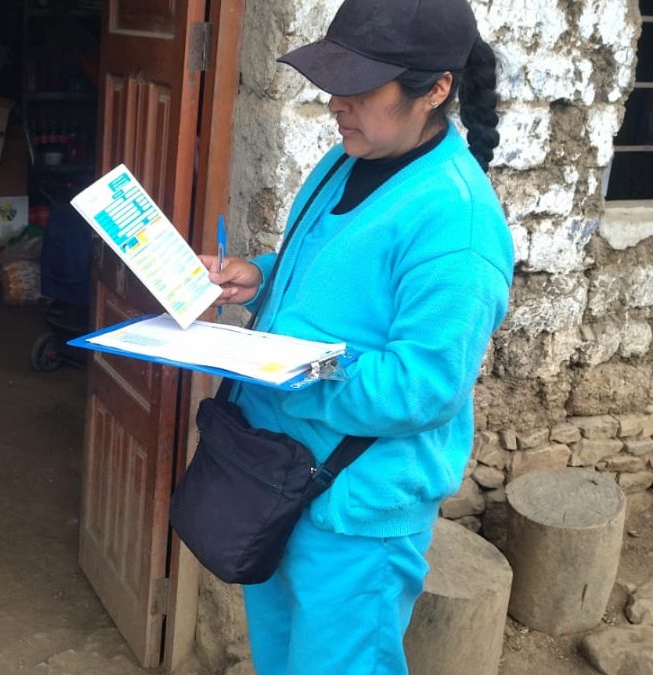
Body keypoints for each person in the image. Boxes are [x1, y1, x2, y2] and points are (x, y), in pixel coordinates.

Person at [201, 0, 514, 673]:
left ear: (435, 90)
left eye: (361, 88)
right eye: (335, 82)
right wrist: (255, 276)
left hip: (353, 511)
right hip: (279, 478)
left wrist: (289, 371)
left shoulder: (457, 225)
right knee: (279, 658)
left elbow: (424, 387)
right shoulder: (347, 159)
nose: (338, 104)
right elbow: (328, 271)